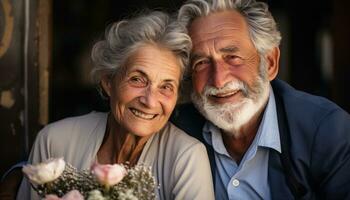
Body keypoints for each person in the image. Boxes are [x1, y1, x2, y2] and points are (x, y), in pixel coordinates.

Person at [16, 11, 214, 200]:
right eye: (137, 79)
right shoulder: (54, 141)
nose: (150, 101)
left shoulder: (186, 158)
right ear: (108, 82)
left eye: (166, 86)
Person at [171, 0, 350, 199]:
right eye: (202, 62)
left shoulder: (327, 130)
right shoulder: (176, 131)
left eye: (233, 57)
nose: (219, 80)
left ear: (270, 63)